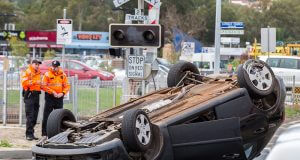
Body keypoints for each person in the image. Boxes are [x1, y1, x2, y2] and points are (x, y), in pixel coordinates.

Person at [41, 60, 70, 137]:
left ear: (58, 67)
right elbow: (43, 86)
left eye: (56, 67)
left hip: (59, 97)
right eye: (53, 66)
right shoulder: (47, 74)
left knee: (59, 115)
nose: (54, 68)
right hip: (50, 97)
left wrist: (62, 93)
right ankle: (44, 133)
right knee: (47, 115)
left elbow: (67, 86)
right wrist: (52, 92)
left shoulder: (63, 75)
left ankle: (58, 131)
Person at [21, 59, 42, 141]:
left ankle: (31, 133)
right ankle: (28, 134)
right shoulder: (28, 72)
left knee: (35, 116)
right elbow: (24, 82)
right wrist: (35, 82)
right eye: (36, 64)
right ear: (32, 64)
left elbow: (40, 84)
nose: (37, 65)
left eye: (38, 64)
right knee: (30, 115)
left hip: (36, 95)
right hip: (29, 94)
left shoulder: (38, 73)